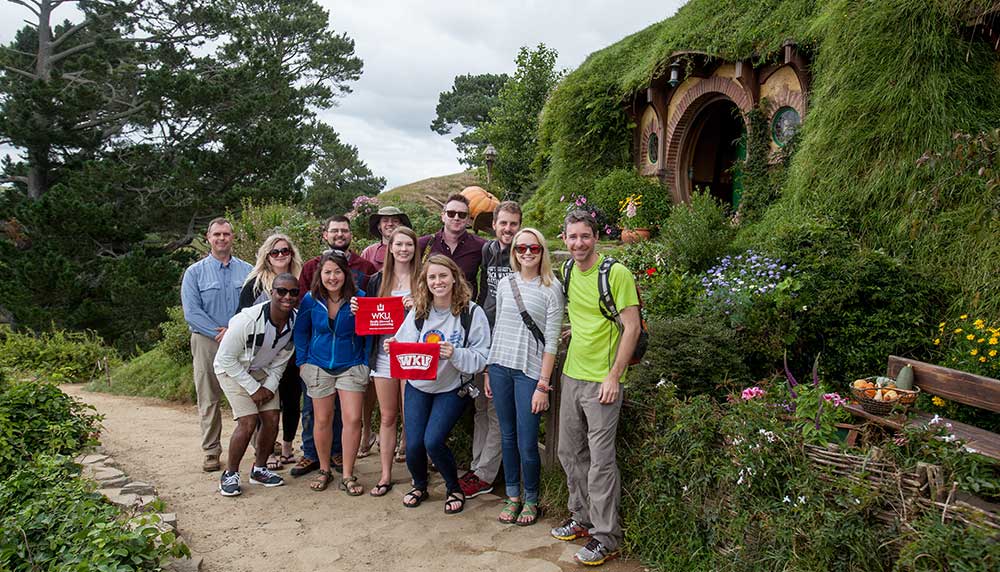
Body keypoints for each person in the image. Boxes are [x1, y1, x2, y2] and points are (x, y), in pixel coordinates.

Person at [549, 210, 640, 567]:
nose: (578, 243)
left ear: (596, 237)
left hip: (602, 380)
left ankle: (606, 537)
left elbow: (630, 328)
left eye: (584, 236)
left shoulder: (616, 274)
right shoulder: (569, 271)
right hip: (572, 373)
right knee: (569, 452)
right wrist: (576, 332)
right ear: (565, 238)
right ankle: (581, 517)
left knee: (601, 462)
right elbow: (585, 313)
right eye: (572, 237)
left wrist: (614, 376)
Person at [385, 255, 490, 515]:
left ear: (454, 277)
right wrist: (393, 348)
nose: (438, 281)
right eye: (432, 277)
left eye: (443, 275)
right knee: (413, 444)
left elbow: (483, 356)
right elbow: (403, 343)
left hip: (452, 387)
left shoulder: (471, 312)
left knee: (433, 441)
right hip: (418, 386)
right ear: (425, 281)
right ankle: (419, 484)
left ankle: (453, 487)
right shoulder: (419, 311)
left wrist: (454, 353)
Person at [485, 228, 563, 525]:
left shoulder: (551, 287)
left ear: (542, 251)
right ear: (514, 252)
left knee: (527, 441)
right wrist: (488, 370)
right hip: (500, 366)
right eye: (521, 248)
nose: (527, 253)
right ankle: (513, 495)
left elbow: (552, 341)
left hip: (529, 373)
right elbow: (498, 329)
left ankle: (531, 498)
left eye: (533, 248)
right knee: (507, 436)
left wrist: (543, 384)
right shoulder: (505, 284)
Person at [292, 215, 377, 478]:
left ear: (346, 275)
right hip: (317, 366)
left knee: (352, 419)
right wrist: (303, 363)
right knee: (322, 420)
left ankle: (348, 473)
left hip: (351, 365)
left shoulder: (361, 299)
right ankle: (325, 469)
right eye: (327, 272)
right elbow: (301, 331)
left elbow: (369, 334)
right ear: (320, 275)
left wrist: (364, 362)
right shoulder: (310, 299)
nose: (332, 277)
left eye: (337, 272)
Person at [216, 273, 298, 497]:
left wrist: (268, 388)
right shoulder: (248, 319)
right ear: (272, 293)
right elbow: (225, 358)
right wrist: (252, 388)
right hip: (232, 370)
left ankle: (259, 469)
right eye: (281, 291)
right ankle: (230, 474)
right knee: (248, 421)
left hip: (262, 370)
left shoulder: (294, 321)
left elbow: (282, 358)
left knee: (272, 417)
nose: (287, 297)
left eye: (293, 292)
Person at [460, 201, 522, 499]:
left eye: (513, 224)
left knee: (496, 406)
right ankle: (476, 466)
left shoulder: (524, 252)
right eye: (503, 223)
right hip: (485, 330)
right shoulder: (489, 251)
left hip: (508, 336)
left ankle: (485, 474)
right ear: (494, 224)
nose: (508, 229)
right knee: (480, 405)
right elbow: (486, 289)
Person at [181, 217, 252, 472]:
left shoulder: (248, 270)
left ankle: (258, 441)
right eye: (217, 234)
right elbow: (191, 311)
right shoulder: (195, 272)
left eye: (226, 234)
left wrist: (234, 331)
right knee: (208, 396)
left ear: (233, 237)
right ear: (209, 238)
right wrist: (217, 332)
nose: (222, 238)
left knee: (247, 389)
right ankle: (211, 451)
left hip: (241, 340)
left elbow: (256, 305)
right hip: (205, 341)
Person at [356, 227, 418, 496]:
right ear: (390, 248)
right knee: (388, 415)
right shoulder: (376, 281)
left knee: (412, 415)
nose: (404, 249)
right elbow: (368, 316)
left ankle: (417, 475)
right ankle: (385, 474)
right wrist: (359, 308)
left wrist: (419, 304)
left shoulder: (423, 279)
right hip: (383, 356)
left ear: (415, 248)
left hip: (413, 356)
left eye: (409, 244)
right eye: (399, 244)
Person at [237, 234, 304, 470]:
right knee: (265, 401)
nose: (280, 255)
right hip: (262, 354)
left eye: (285, 250)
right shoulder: (255, 283)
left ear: (291, 253)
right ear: (267, 255)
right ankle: (265, 448)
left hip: (292, 349)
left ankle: (287, 446)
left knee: (292, 398)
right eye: (275, 252)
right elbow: (241, 316)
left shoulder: (301, 278)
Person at [418, 194, 485, 300]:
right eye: (451, 213)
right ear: (443, 216)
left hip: (466, 310)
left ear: (468, 220)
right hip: (431, 310)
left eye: (462, 215)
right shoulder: (423, 244)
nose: (456, 218)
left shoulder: (481, 246)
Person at [361, 206, 411, 271]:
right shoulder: (369, 253)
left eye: (395, 221)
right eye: (385, 220)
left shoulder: (410, 250)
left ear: (401, 225)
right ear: (379, 226)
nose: (390, 224)